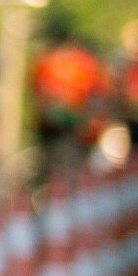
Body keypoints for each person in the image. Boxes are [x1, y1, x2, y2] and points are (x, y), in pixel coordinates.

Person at [32, 27, 109, 174]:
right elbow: (98, 92)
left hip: (63, 123)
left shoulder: (45, 60)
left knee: (58, 167)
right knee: (74, 168)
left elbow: (38, 94)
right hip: (71, 124)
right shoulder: (83, 60)